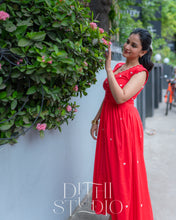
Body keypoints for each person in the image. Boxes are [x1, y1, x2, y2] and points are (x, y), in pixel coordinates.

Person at [90, 28, 154, 220]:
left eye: (133, 45)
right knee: (110, 168)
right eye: (127, 42)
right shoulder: (119, 67)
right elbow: (108, 96)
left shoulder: (140, 72)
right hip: (109, 120)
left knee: (122, 171)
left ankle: (125, 215)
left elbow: (120, 98)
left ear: (142, 52)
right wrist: (96, 119)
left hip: (124, 125)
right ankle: (115, 213)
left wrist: (108, 70)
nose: (127, 47)